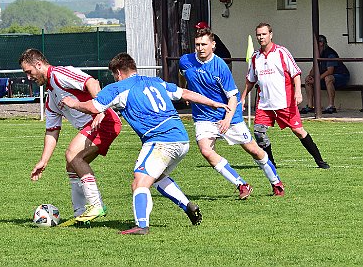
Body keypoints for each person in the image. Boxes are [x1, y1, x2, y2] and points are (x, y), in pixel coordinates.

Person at [61, 52, 229, 235]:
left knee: (139, 181)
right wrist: (213, 103)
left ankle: (141, 226)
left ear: (118, 72)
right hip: (181, 138)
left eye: (114, 75)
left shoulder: (118, 88)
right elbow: (185, 93)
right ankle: (187, 205)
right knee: (156, 178)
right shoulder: (156, 81)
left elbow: (93, 107)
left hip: (161, 140)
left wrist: (74, 103)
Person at [19, 48, 122, 225]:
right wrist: (44, 160)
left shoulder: (59, 74)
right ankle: (81, 215)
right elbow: (52, 130)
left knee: (73, 154)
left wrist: (100, 109)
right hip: (95, 125)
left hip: (104, 122)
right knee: (71, 164)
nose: (29, 77)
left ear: (39, 64)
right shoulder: (51, 96)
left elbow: (91, 82)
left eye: (29, 72)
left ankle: (96, 205)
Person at [179, 27, 285, 200]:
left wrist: (227, 119)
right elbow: (183, 75)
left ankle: (276, 182)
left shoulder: (220, 66)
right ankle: (241, 184)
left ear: (213, 45)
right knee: (206, 151)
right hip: (203, 116)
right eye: (197, 44)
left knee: (253, 150)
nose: (200, 48)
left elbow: (233, 97)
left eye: (204, 44)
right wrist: (186, 92)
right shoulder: (186, 61)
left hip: (228, 114)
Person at [240, 22, 329, 169]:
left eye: (264, 34)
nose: (261, 37)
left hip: (284, 102)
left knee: (298, 131)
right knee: (259, 132)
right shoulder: (255, 57)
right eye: (259, 35)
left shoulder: (281, 52)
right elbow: (251, 80)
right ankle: (270, 164)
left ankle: (320, 161)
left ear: (271, 35)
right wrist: (243, 98)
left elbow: (296, 73)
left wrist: (298, 93)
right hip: (264, 104)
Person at [300, 34, 350, 114]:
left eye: (317, 43)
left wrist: (316, 80)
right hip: (326, 78)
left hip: (341, 76)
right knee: (307, 79)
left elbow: (330, 71)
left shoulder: (330, 53)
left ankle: (331, 106)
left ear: (322, 43)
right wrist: (311, 77)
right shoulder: (318, 53)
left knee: (328, 78)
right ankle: (310, 106)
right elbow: (313, 71)